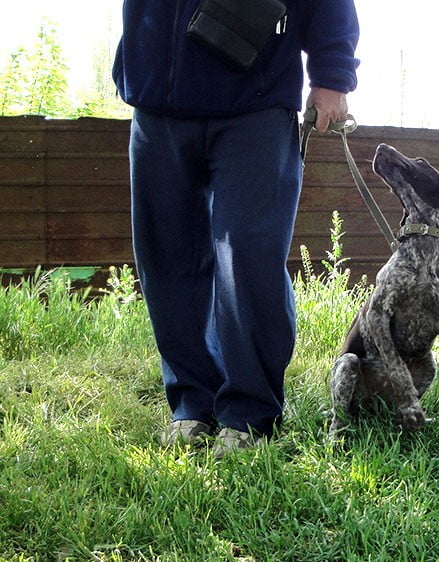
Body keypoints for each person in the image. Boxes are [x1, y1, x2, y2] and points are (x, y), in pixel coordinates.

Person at [112, 0, 360, 458]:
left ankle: (249, 412)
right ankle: (191, 404)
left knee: (249, 255)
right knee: (166, 258)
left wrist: (332, 75)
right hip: (156, 101)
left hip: (257, 102)